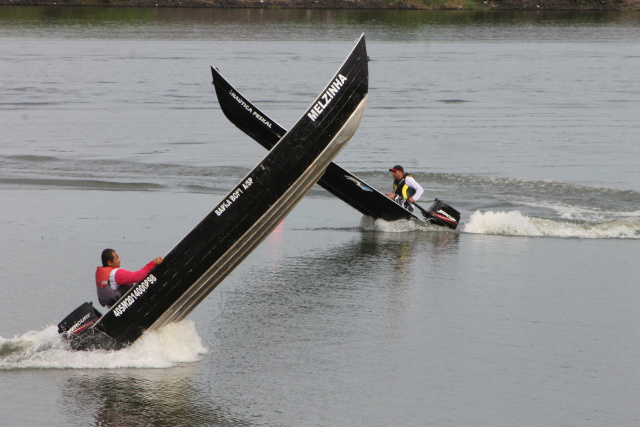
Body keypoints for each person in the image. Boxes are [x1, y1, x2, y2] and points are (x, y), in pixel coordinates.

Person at [95, 248, 164, 308]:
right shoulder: (116, 273)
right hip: (126, 307)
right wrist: (153, 263)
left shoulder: (104, 274)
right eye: (117, 258)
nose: (120, 260)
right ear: (110, 262)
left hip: (113, 307)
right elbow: (137, 277)